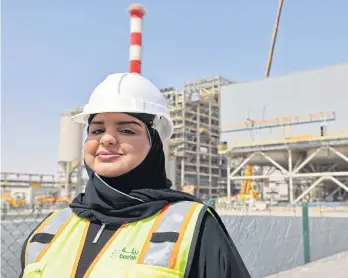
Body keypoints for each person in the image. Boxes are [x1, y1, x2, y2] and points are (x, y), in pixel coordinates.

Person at [19, 73, 251, 278]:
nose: (107, 139)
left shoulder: (192, 226)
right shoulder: (49, 230)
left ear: (155, 144)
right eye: (97, 130)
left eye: (127, 130)